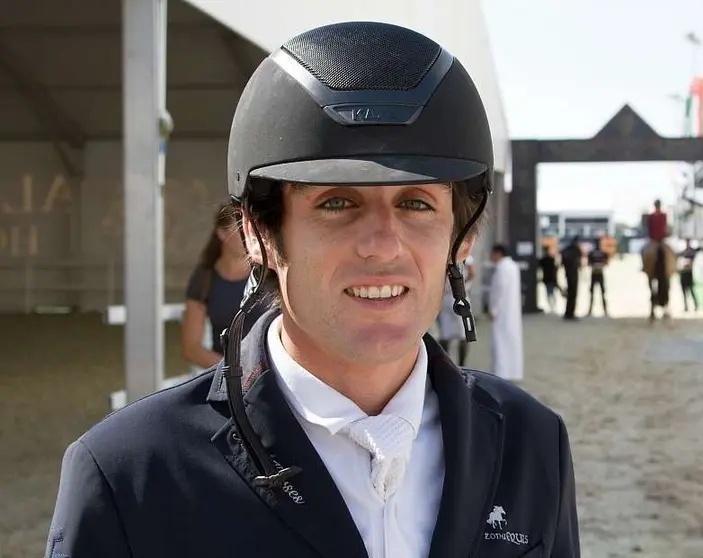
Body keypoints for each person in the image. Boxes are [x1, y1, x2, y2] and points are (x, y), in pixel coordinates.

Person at [45, 22, 579, 558]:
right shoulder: (129, 475)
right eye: (337, 203)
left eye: (417, 203)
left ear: (461, 240)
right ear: (259, 234)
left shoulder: (531, 444)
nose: (382, 245)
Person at [181, 204, 261, 370]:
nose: (250, 235)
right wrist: (234, 372)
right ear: (222, 233)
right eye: (241, 228)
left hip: (271, 374)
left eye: (252, 227)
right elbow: (191, 348)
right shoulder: (204, 279)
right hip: (229, 377)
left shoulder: (269, 273)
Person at [488, 244, 524, 382]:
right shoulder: (513, 266)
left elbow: (499, 290)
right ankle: (513, 371)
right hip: (512, 311)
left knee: (500, 341)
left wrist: (493, 308)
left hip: (501, 311)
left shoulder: (502, 268)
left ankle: (501, 371)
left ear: (497, 253)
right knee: (512, 341)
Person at [435, 255, 475, 366]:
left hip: (460, 296)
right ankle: (445, 364)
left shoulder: (465, 255)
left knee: (462, 333)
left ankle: (462, 365)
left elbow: (472, 272)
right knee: (445, 334)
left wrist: (463, 286)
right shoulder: (444, 253)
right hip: (446, 297)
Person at [560, 236, 583, 320]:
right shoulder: (576, 250)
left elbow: (562, 261)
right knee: (573, 294)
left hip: (568, 273)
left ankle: (568, 313)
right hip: (573, 273)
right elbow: (579, 261)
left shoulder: (566, 250)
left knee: (570, 293)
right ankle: (570, 313)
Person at [677, 238, 701, 312]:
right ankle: (686, 306)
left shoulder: (691, 252)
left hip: (688, 273)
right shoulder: (683, 252)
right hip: (683, 273)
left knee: (691, 290)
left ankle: (696, 305)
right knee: (684, 291)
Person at [587, 239, 609, 317]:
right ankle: (590, 310)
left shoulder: (601, 253)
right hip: (595, 273)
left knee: (602, 293)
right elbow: (589, 263)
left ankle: (605, 310)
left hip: (598, 273)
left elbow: (606, 262)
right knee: (593, 293)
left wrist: (598, 265)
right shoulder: (594, 253)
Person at [538, 245, 560, 313]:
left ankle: (552, 306)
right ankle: (553, 306)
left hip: (547, 278)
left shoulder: (543, 260)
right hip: (552, 278)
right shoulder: (551, 259)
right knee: (552, 292)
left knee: (549, 293)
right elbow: (556, 268)